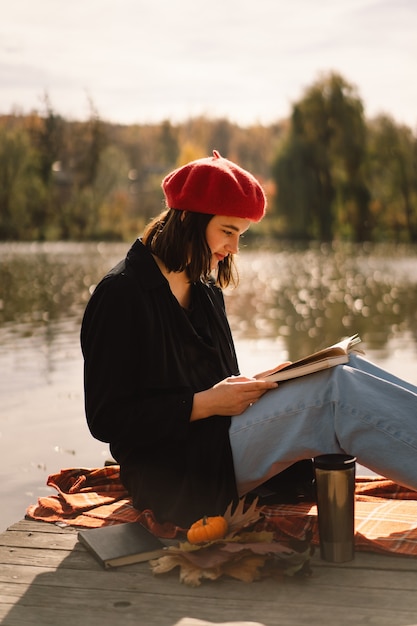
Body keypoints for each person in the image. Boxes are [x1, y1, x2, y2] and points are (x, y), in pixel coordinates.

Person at [81, 150, 417, 528]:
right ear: (189, 220)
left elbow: (221, 385)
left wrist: (267, 382)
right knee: (335, 391)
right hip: (173, 470)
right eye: (227, 231)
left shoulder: (204, 287)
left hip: (217, 440)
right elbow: (107, 419)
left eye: (240, 234)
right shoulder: (122, 293)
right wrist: (203, 403)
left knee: (342, 366)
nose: (234, 248)